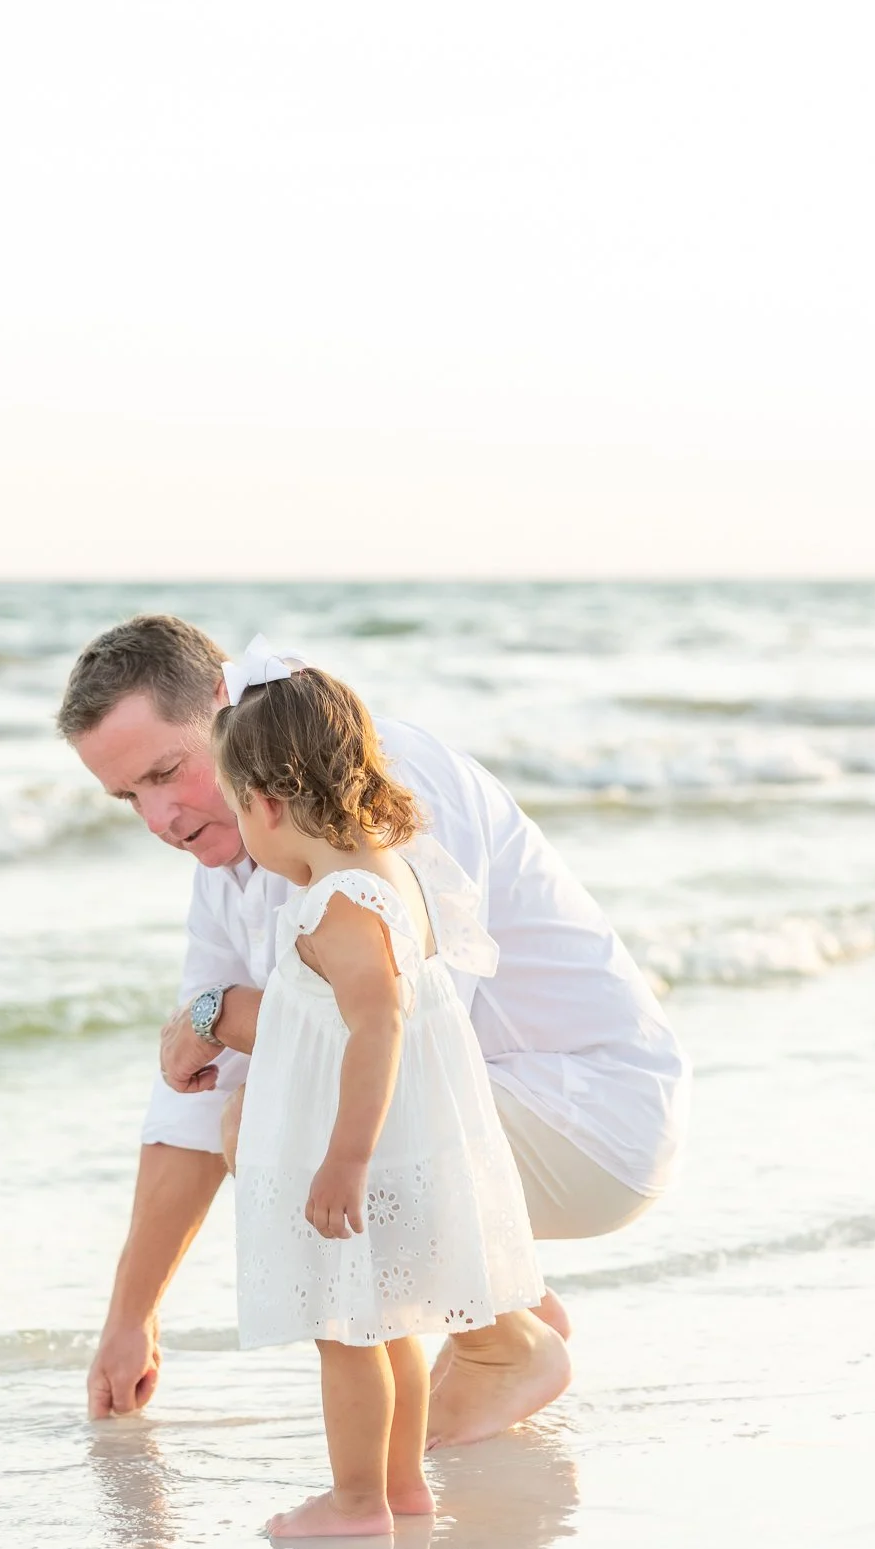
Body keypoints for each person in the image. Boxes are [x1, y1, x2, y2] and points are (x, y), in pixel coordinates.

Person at [57, 616, 690, 1445]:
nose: (159, 819)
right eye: (128, 797)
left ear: (225, 705)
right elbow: (192, 1100)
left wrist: (215, 1016)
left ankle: (504, 1343)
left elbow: (407, 1038)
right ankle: (507, 1310)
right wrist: (130, 1320)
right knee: (251, 1110)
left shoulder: (376, 781)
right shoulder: (237, 857)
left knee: (282, 1116)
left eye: (168, 773)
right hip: (487, 1123)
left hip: (593, 1117)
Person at [211, 649, 545, 1537]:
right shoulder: (391, 869)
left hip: (367, 1151)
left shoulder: (340, 903)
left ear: (267, 804)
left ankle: (356, 1498)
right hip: (397, 1141)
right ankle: (400, 1488)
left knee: (346, 1333)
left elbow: (381, 1023)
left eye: (236, 807)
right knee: (386, 1319)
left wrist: (343, 1160)